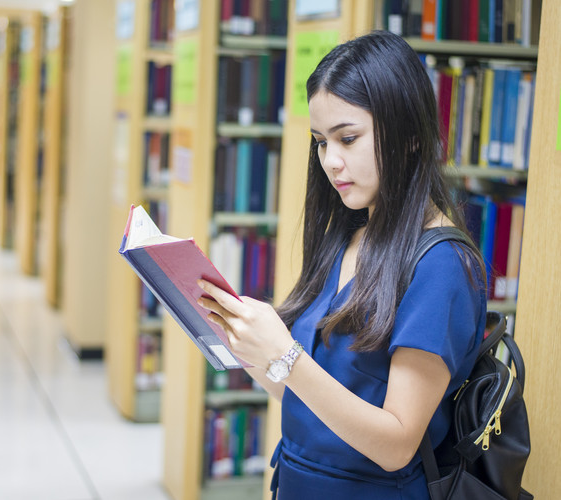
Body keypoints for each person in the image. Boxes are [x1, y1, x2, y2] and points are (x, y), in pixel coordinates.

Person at [197, 30, 487, 499]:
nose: (330, 161)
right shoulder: (346, 237)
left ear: (410, 137)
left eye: (347, 138)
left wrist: (286, 358)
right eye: (320, 142)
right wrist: (238, 339)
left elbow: (396, 443)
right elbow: (309, 403)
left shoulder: (441, 265)